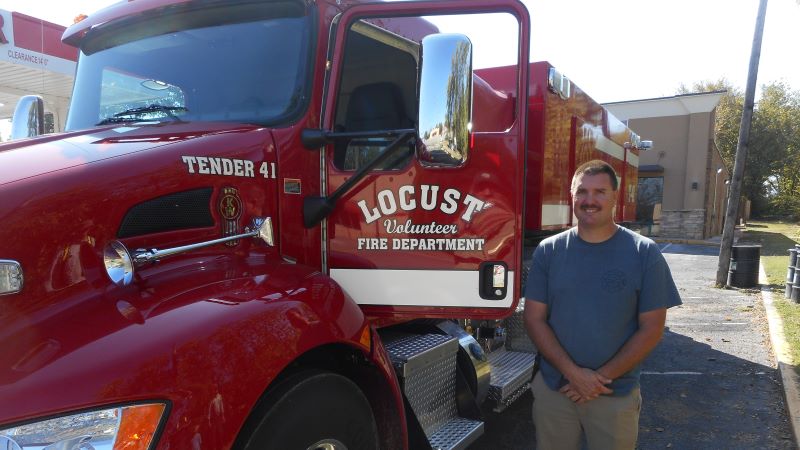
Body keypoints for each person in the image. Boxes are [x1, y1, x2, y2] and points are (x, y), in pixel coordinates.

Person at [523, 159, 681, 450]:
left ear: (614, 197)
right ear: (571, 196)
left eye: (600, 192)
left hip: (614, 393)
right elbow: (534, 319)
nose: (590, 200)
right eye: (582, 191)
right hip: (555, 391)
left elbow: (652, 328)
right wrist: (574, 374)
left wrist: (596, 379)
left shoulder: (644, 253)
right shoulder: (550, 251)